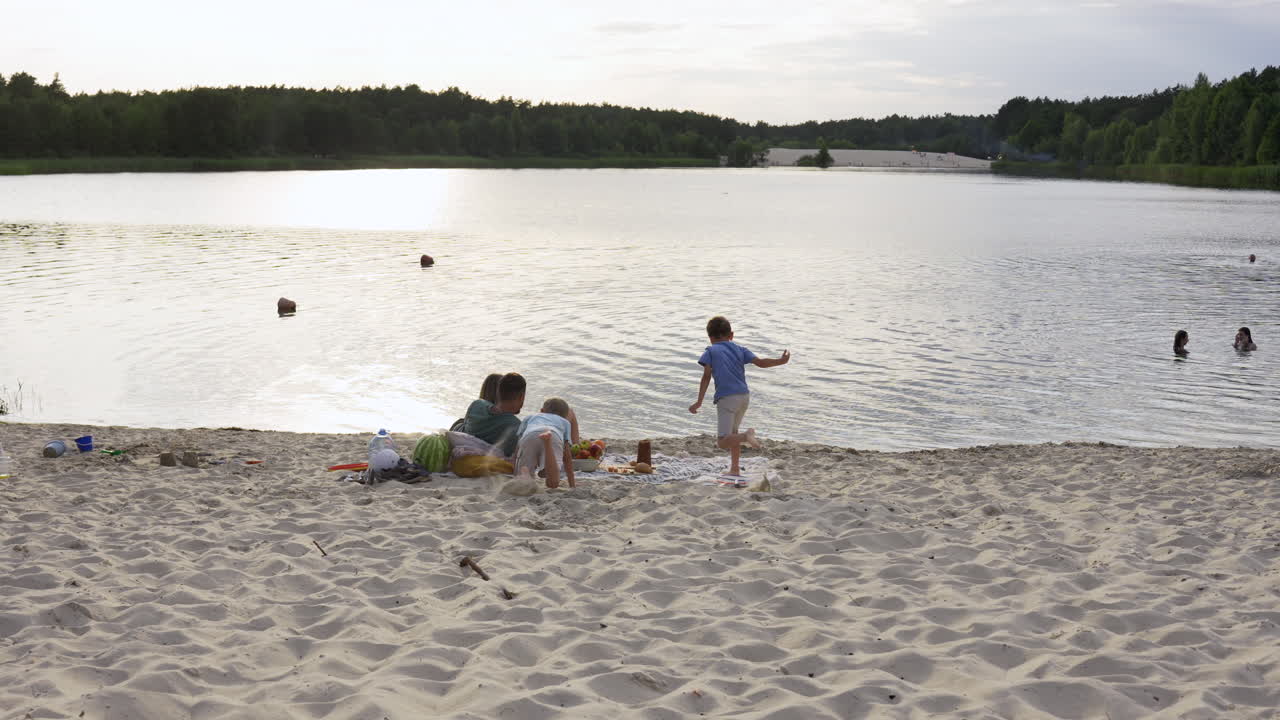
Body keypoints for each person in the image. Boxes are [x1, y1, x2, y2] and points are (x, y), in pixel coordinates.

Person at [688, 315, 790, 480]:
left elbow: (706, 377)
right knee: (732, 433)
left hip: (727, 398)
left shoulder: (710, 351)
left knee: (722, 441)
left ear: (710, 337)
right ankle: (735, 469)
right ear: (731, 335)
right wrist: (780, 361)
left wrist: (699, 401)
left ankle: (746, 436)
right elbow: (761, 363)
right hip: (744, 396)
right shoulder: (740, 349)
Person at [513, 397, 576, 489]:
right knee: (552, 483)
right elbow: (567, 456)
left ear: (542, 411)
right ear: (565, 416)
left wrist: (516, 465)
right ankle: (547, 445)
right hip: (553, 435)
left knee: (524, 468)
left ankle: (525, 472)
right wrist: (572, 484)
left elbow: (518, 445)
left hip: (530, 435)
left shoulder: (530, 417)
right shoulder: (565, 422)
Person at [462, 372, 526, 456]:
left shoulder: (476, 405)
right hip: (488, 465)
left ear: (498, 392)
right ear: (521, 397)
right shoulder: (517, 427)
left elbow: (463, 430)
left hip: (461, 456)